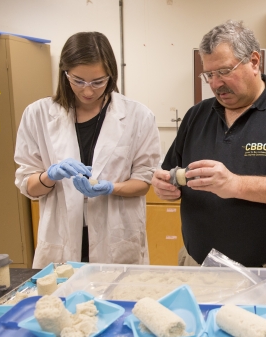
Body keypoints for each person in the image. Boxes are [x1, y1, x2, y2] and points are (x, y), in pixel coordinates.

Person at [152, 20, 266, 269]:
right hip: (197, 264)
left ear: (254, 62)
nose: (215, 84)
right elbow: (170, 174)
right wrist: (164, 187)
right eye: (209, 75)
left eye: (224, 71)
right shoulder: (196, 116)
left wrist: (236, 184)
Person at [14, 32, 161, 269]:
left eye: (98, 82)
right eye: (78, 81)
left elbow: (143, 182)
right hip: (60, 239)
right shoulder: (37, 115)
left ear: (111, 75)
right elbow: (29, 186)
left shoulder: (138, 116)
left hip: (115, 240)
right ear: (64, 74)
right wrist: (49, 176)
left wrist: (112, 187)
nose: (88, 91)